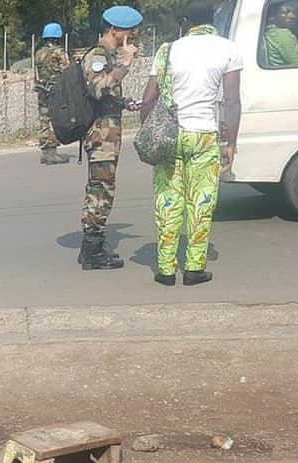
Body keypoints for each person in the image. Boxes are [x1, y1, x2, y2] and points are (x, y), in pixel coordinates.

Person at [141, 1, 242, 286]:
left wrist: (151, 132)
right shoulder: (228, 49)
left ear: (186, 21)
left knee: (168, 200)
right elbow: (232, 102)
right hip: (205, 136)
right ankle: (195, 268)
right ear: (213, 19)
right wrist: (230, 143)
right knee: (201, 201)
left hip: (171, 136)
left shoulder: (167, 50)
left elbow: (148, 99)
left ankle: (165, 270)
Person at [76, 6, 143, 270]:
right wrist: (125, 65)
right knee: (100, 190)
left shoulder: (106, 55)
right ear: (114, 30)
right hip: (101, 136)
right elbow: (96, 88)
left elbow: (105, 94)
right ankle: (91, 251)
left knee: (103, 188)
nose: (133, 35)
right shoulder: (98, 55)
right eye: (130, 30)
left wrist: (124, 103)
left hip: (107, 132)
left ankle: (96, 243)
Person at [35, 22, 72, 165]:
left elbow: (37, 73)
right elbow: (67, 70)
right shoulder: (59, 52)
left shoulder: (39, 53)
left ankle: (45, 152)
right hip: (56, 91)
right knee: (55, 119)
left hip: (42, 90)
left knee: (44, 120)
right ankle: (52, 153)